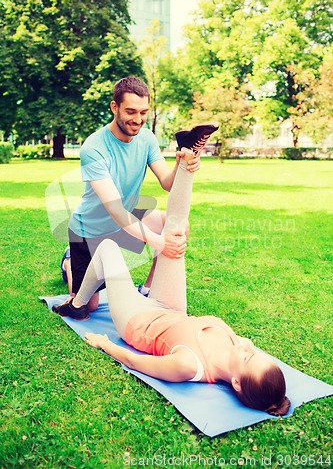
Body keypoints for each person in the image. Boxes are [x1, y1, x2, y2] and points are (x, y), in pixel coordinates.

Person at [52, 146, 291, 416]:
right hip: (170, 308)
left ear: (236, 383)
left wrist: (104, 343)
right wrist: (246, 351)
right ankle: (189, 158)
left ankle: (77, 302)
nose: (249, 348)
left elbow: (135, 361)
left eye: (249, 356)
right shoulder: (237, 346)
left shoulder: (190, 366)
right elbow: (245, 350)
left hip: (138, 320)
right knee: (174, 234)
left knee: (107, 249)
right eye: (256, 352)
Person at [53, 76, 218, 318]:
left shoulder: (147, 138)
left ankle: (148, 289)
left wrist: (184, 164)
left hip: (125, 221)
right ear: (114, 107)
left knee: (176, 226)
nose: (138, 119)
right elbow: (116, 210)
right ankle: (68, 261)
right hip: (90, 230)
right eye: (130, 111)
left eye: (143, 112)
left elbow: (167, 183)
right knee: (88, 307)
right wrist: (158, 243)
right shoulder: (94, 148)